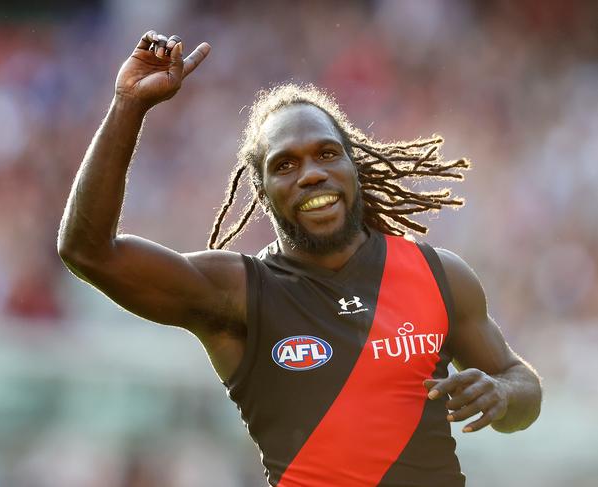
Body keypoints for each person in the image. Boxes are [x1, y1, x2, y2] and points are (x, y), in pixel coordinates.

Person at [57, 31, 542, 487]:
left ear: (354, 166)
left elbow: (523, 388)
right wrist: (129, 106)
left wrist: (502, 395)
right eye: (284, 165)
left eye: (327, 154)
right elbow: (88, 252)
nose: (311, 174)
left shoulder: (440, 275)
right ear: (262, 194)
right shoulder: (237, 292)